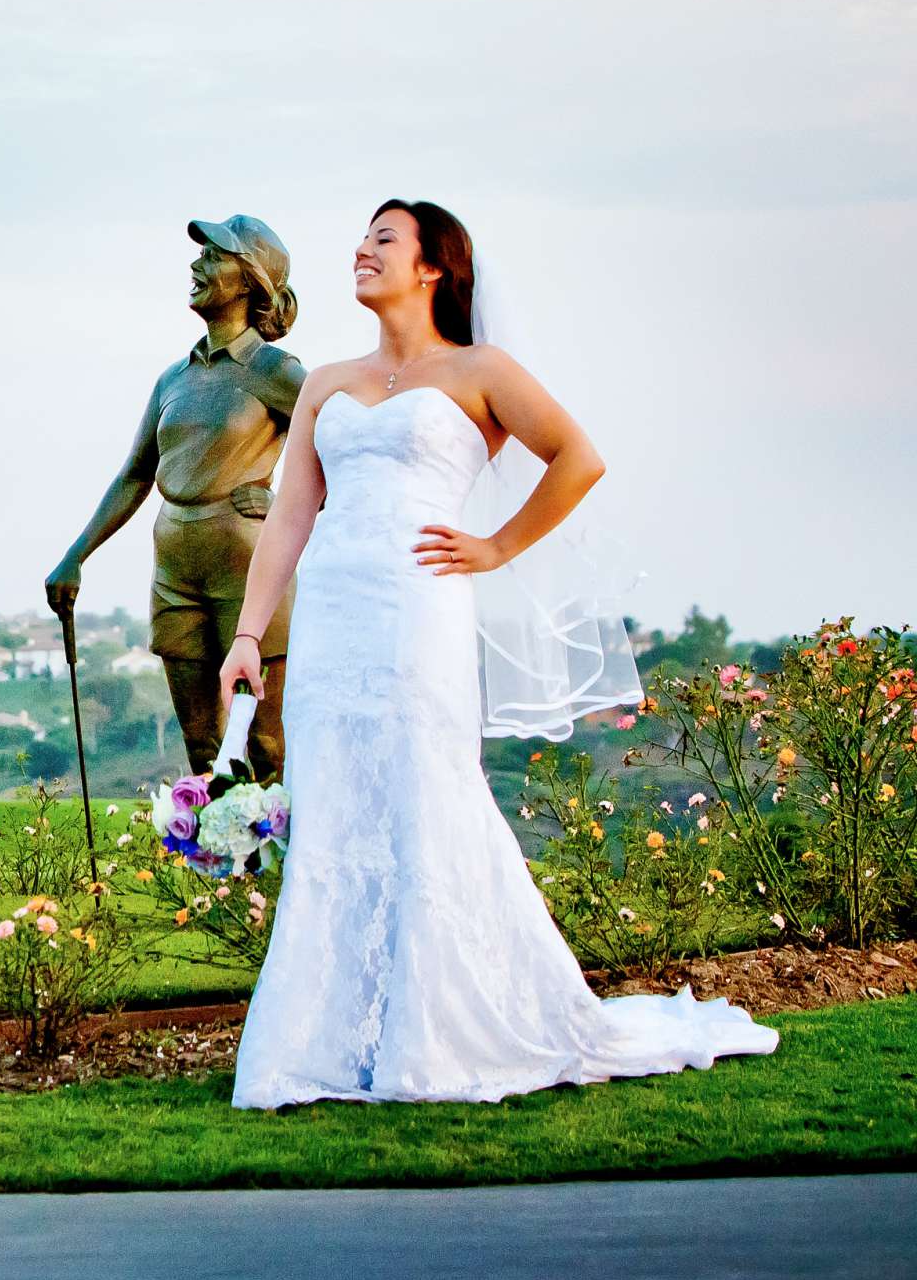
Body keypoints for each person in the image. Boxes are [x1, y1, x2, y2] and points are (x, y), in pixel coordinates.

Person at [219, 201, 775, 1108]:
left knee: (427, 800)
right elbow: (290, 514)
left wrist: (496, 547)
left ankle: (437, 1036)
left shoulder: (480, 370)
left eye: (383, 239)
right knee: (337, 814)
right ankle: (323, 1044)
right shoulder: (326, 381)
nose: (361, 250)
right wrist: (249, 634)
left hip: (419, 615)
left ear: (434, 265)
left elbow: (577, 457)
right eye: (361, 238)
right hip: (334, 624)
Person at [47, 216, 302, 778]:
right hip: (175, 566)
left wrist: (286, 507)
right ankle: (217, 860)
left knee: (266, 744)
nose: (197, 266)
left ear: (249, 279)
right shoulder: (174, 379)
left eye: (213, 257)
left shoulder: (277, 371)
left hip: (248, 568)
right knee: (202, 745)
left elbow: (345, 454)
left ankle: (283, 864)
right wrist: (76, 554)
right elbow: (135, 476)